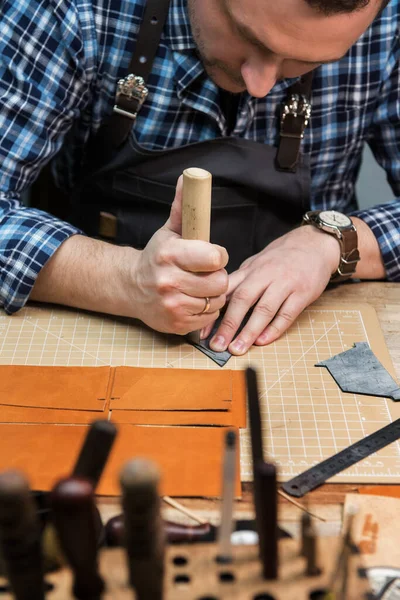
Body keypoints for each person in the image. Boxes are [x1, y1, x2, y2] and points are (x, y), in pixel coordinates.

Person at [0, 0, 398, 357]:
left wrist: (335, 242)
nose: (260, 85)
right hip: (99, 332)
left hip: (306, 337)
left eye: (305, 63)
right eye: (247, 36)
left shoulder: (388, 23)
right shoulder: (77, 8)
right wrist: (125, 279)